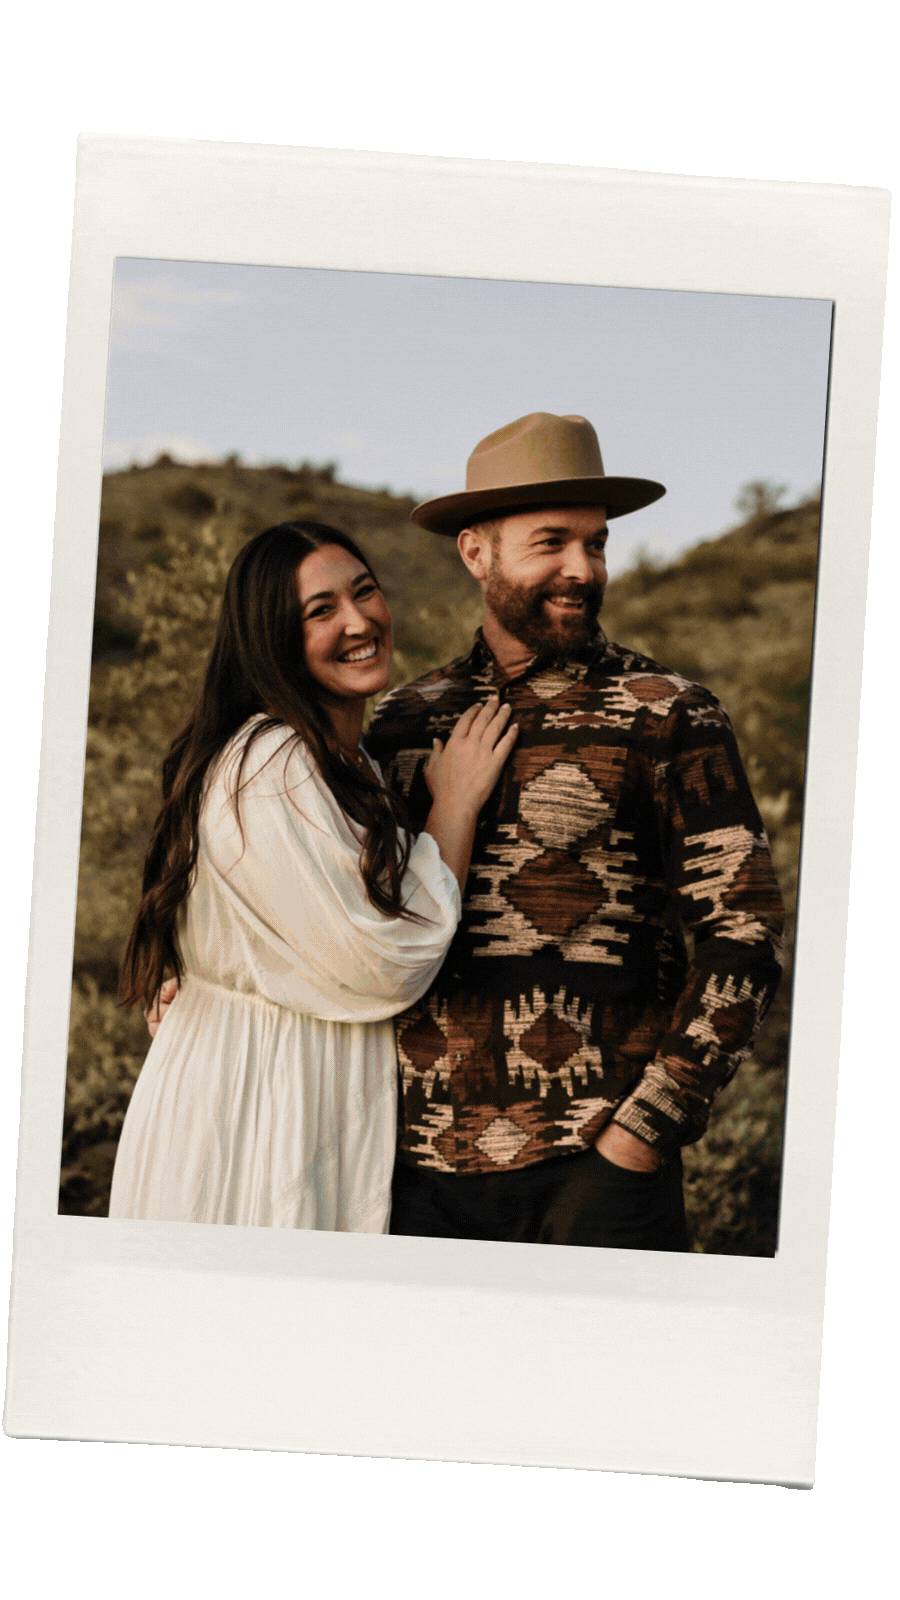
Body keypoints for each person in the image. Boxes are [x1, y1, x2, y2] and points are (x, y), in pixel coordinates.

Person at [360, 412, 786, 1250]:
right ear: (475, 552)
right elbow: (345, 913)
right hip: (413, 1177)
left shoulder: (670, 713)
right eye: (551, 542)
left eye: (596, 545)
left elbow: (745, 933)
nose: (581, 570)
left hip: (602, 1171)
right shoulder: (402, 722)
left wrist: (642, 1136)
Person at [110, 520, 517, 1232]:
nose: (359, 621)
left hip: (286, 1081)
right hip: (257, 1099)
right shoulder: (273, 761)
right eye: (319, 611)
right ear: (272, 639)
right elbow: (383, 960)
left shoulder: (340, 761)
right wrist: (453, 807)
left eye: (365, 592)